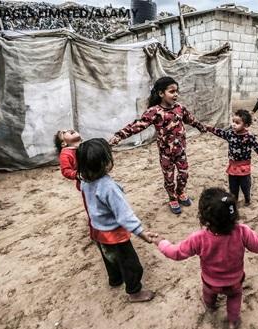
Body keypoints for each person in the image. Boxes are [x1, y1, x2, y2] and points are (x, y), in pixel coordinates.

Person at [150, 188, 258, 329]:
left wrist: (161, 242)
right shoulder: (242, 231)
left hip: (210, 282)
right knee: (235, 298)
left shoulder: (199, 238)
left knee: (208, 295)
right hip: (234, 282)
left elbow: (176, 253)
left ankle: (210, 306)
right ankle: (232, 321)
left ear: (204, 218)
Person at [109, 76, 207, 214]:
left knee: (184, 175)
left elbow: (191, 119)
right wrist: (119, 135)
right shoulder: (154, 112)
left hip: (181, 151)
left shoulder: (180, 108)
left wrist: (201, 127)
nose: (176, 95)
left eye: (177, 91)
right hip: (165, 153)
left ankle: (180, 193)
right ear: (161, 94)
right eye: (172, 92)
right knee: (169, 178)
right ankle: (172, 198)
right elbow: (138, 125)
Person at [77, 138, 155, 302]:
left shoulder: (83, 181)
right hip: (114, 233)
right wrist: (141, 233)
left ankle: (115, 280)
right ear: (106, 163)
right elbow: (124, 215)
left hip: (97, 229)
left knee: (109, 257)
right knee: (130, 264)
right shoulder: (109, 187)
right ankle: (134, 292)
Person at [54, 130, 122, 287]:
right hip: (86, 183)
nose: (68, 130)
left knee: (102, 204)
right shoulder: (66, 153)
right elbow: (66, 171)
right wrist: (79, 175)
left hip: (96, 177)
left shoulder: (84, 146)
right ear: (64, 143)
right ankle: (96, 232)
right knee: (92, 209)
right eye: (64, 132)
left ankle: (105, 224)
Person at [206, 109, 258, 206]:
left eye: (237, 123)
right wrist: (211, 129)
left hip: (244, 168)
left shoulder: (249, 137)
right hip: (232, 167)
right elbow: (221, 133)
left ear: (246, 125)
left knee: (245, 186)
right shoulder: (230, 134)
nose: (233, 124)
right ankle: (234, 201)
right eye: (233, 122)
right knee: (233, 187)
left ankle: (247, 199)